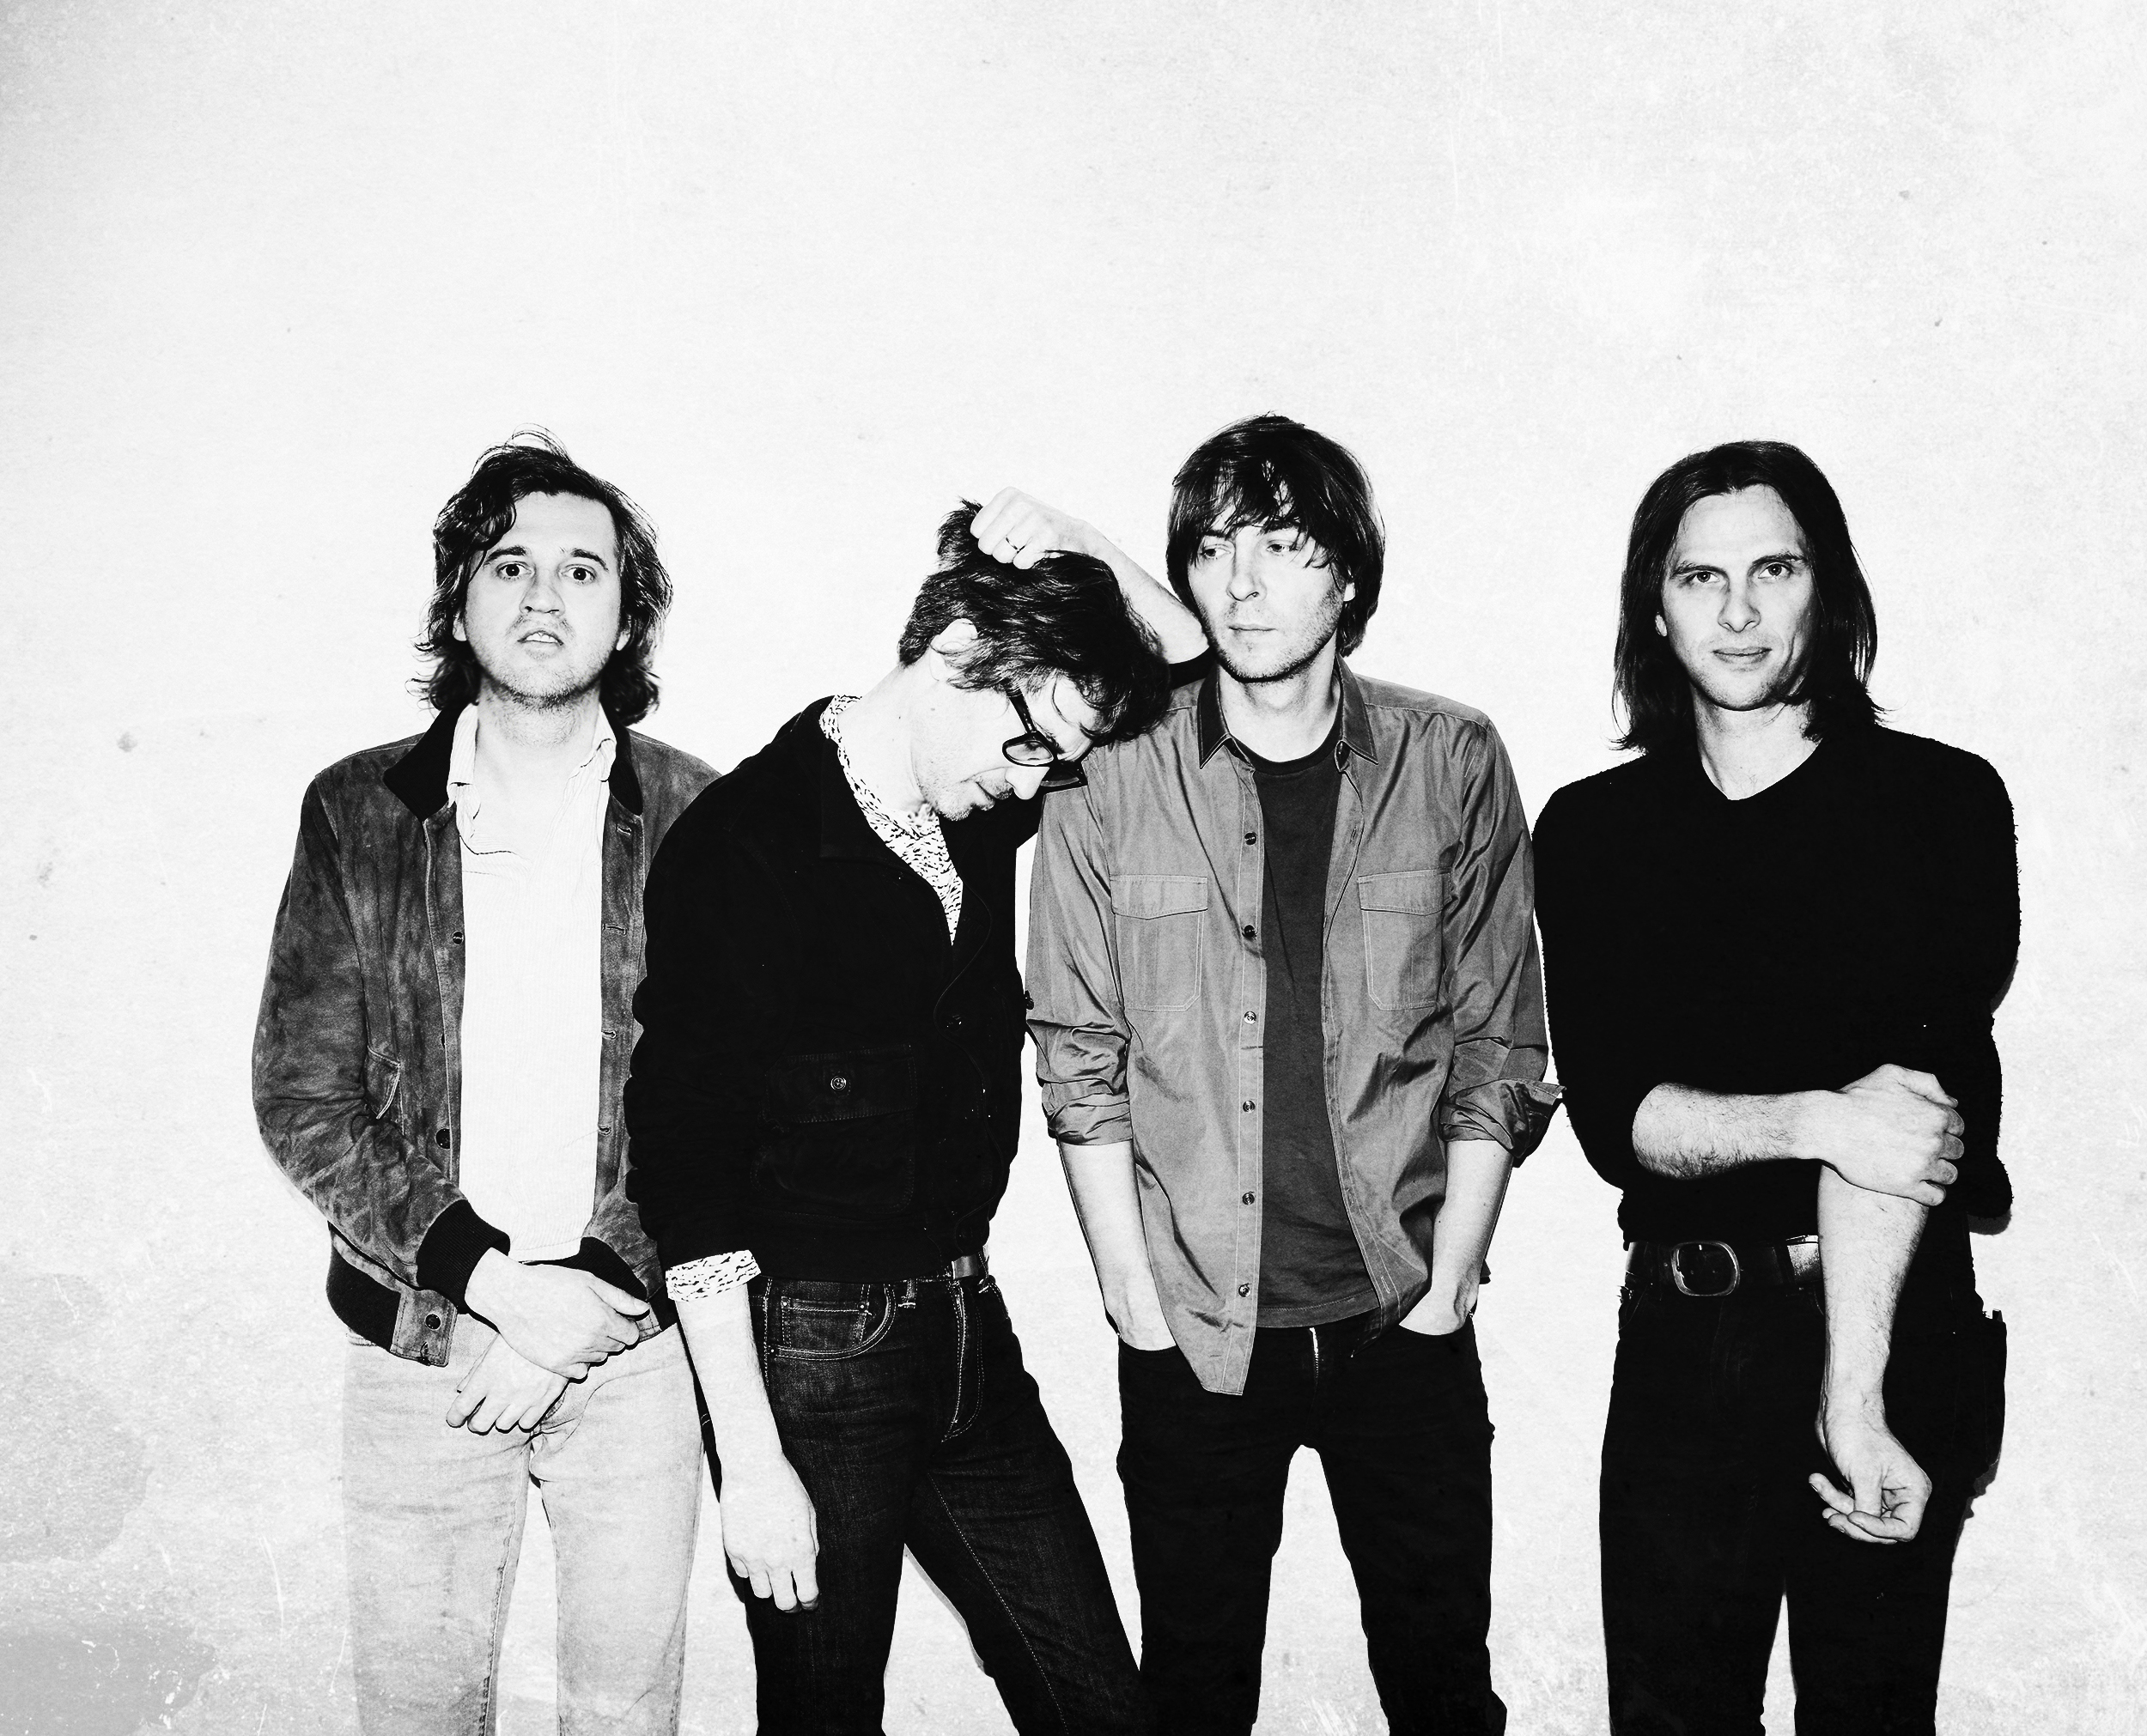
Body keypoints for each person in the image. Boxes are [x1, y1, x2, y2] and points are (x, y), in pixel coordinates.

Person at [623, 494, 1203, 1735]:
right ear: (956, 654)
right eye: (1029, 745)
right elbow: (685, 1166)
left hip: (965, 1328)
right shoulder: (746, 844)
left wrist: (1064, 530)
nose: (1035, 783)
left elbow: (1184, 653)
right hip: (814, 1354)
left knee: (1105, 1708)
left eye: (1055, 762)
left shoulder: (974, 796)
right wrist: (752, 1463)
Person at [1023, 415, 1558, 1735]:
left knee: (1444, 1695)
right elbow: (1078, 1049)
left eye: (1282, 545)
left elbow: (1500, 1037)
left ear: (1349, 575)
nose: (1243, 583)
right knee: (1193, 1702)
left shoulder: (1450, 760)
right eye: (1213, 550)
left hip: (1397, 1317)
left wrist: (1453, 1276)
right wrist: (1130, 1295)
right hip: (1196, 1332)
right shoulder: (1110, 774)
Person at [1531, 440, 2016, 1735]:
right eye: (1700, 577)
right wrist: (1815, 1118)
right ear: (1654, 606)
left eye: (1774, 570)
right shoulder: (1592, 831)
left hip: (1890, 1323)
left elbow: (1911, 1124)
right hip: (1686, 1344)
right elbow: (1619, 1118)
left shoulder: (1939, 803)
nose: (1738, 611)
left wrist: (1851, 1398)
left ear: (1827, 589)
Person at [252, 435, 717, 1734]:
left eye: (583, 569)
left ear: (627, 612)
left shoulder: (700, 813)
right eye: (509, 565)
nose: (544, 596)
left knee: (624, 1713)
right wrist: (500, 1292)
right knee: (418, 1711)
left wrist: (595, 1298)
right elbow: (304, 1098)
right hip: (424, 1354)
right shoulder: (358, 810)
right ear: (459, 602)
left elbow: (730, 1098)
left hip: (634, 1353)